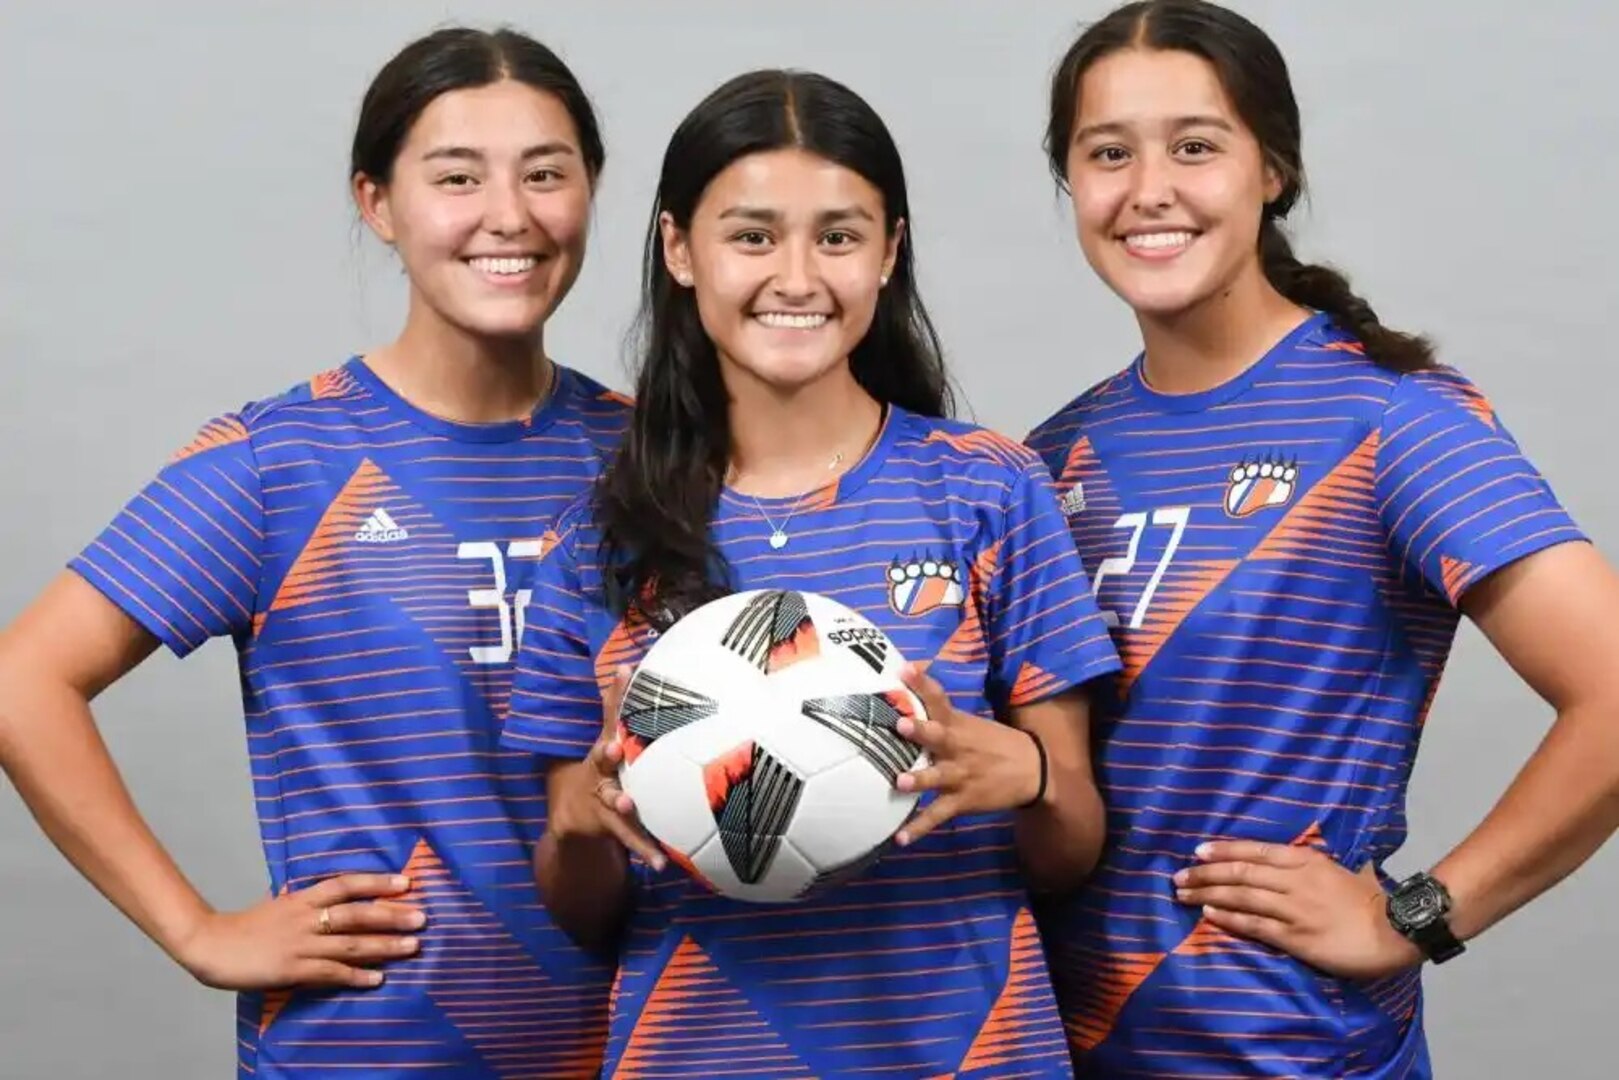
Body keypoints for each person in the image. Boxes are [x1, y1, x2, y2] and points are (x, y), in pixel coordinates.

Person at [0, 27, 629, 1079]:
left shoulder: (652, 458)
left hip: (637, 1049)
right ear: (377, 203)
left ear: (589, 192)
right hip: (367, 1054)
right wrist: (197, 931)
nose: (507, 215)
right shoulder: (280, 463)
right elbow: (24, 681)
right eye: (456, 177)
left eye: (545, 174)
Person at [1024, 1, 1619, 1076]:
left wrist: (1419, 916)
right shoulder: (1050, 452)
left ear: (1271, 170)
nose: (1146, 189)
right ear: (1071, 182)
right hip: (1055, 1050)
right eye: (1106, 153)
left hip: (1289, 1055)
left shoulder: (1389, 419)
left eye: (1194, 146)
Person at [501, 68, 1122, 1079]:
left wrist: (1031, 776)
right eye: (751, 235)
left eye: (836, 236)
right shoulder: (597, 538)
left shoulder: (987, 491)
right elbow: (582, 910)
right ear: (678, 251)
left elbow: (1071, 848)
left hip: (966, 1055)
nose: (795, 276)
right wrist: (576, 827)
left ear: (888, 253)